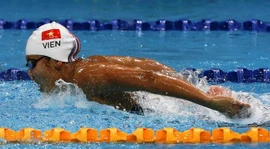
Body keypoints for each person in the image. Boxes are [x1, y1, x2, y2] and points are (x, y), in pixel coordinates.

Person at [25, 22, 251, 118]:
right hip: (177, 108)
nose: (29, 73)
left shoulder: (89, 75)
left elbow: (148, 77)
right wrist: (190, 85)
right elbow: (146, 64)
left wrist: (209, 102)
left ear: (56, 62)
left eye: (32, 63)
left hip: (180, 115)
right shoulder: (89, 65)